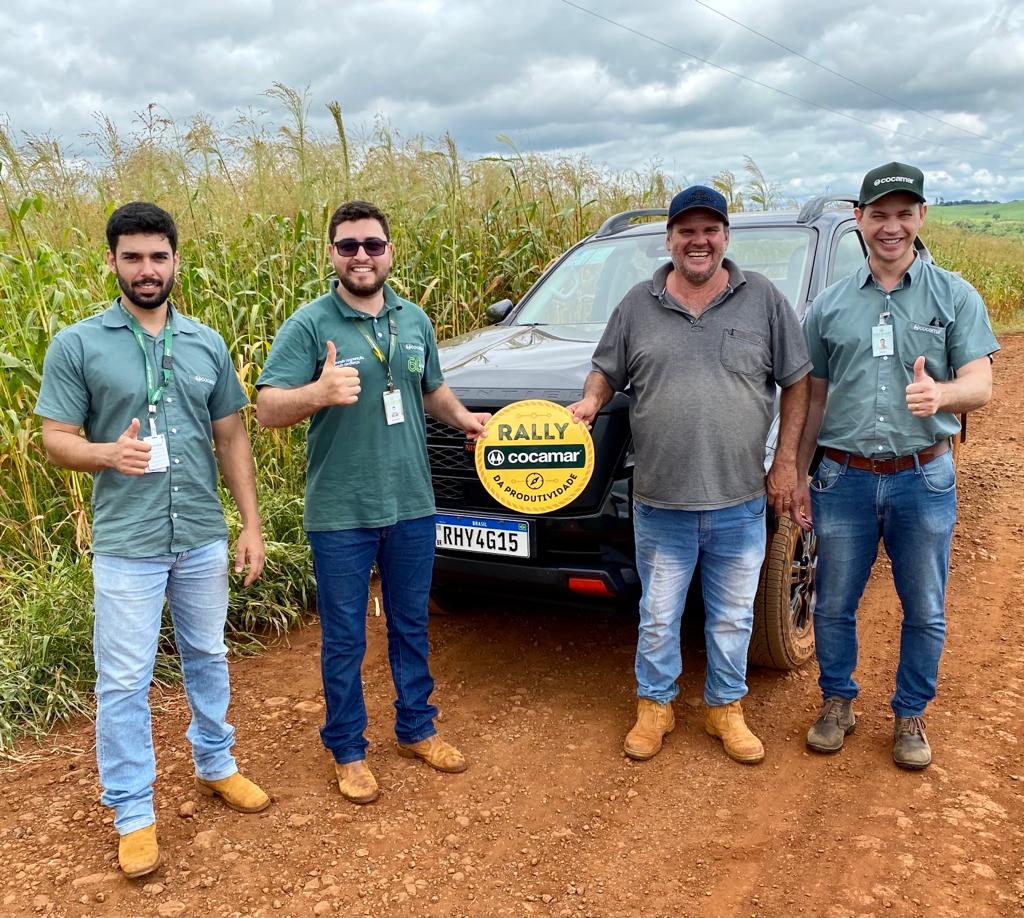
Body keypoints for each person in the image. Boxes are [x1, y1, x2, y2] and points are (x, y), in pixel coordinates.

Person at [35, 202, 270, 879]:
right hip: (128, 542)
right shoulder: (78, 345)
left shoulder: (206, 342)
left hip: (198, 531)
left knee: (207, 653)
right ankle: (134, 813)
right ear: (110, 261)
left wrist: (250, 524)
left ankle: (216, 763)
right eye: (132, 256)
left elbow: (231, 435)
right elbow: (55, 438)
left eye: (157, 256)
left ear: (175, 261)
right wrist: (105, 454)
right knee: (124, 680)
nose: (146, 269)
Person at [256, 200, 488, 804]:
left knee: (412, 625)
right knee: (344, 636)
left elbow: (430, 389)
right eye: (348, 245)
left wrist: (467, 419)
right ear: (331, 253)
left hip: (412, 503)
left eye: (373, 245)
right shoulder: (310, 325)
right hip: (341, 511)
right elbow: (267, 410)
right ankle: (349, 748)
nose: (362, 255)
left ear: (390, 251)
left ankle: (417, 728)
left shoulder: (414, 321)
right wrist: (318, 391)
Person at [570, 185, 811, 764]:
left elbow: (797, 380)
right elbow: (606, 370)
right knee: (658, 613)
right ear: (670, 238)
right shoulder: (637, 303)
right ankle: (655, 706)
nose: (697, 241)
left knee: (732, 616)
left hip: (739, 502)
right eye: (686, 231)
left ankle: (725, 709)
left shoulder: (765, 301)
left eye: (709, 230)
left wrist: (784, 464)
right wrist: (588, 402)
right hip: (661, 503)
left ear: (726, 237)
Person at [794, 162, 998, 769]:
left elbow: (981, 383)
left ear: (921, 218)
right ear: (858, 220)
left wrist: (942, 397)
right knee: (833, 601)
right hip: (843, 476)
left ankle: (910, 713)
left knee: (925, 605)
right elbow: (814, 398)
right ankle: (837, 702)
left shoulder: (954, 294)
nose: (891, 227)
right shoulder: (829, 307)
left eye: (904, 214)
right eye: (878, 215)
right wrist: (799, 474)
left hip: (924, 475)